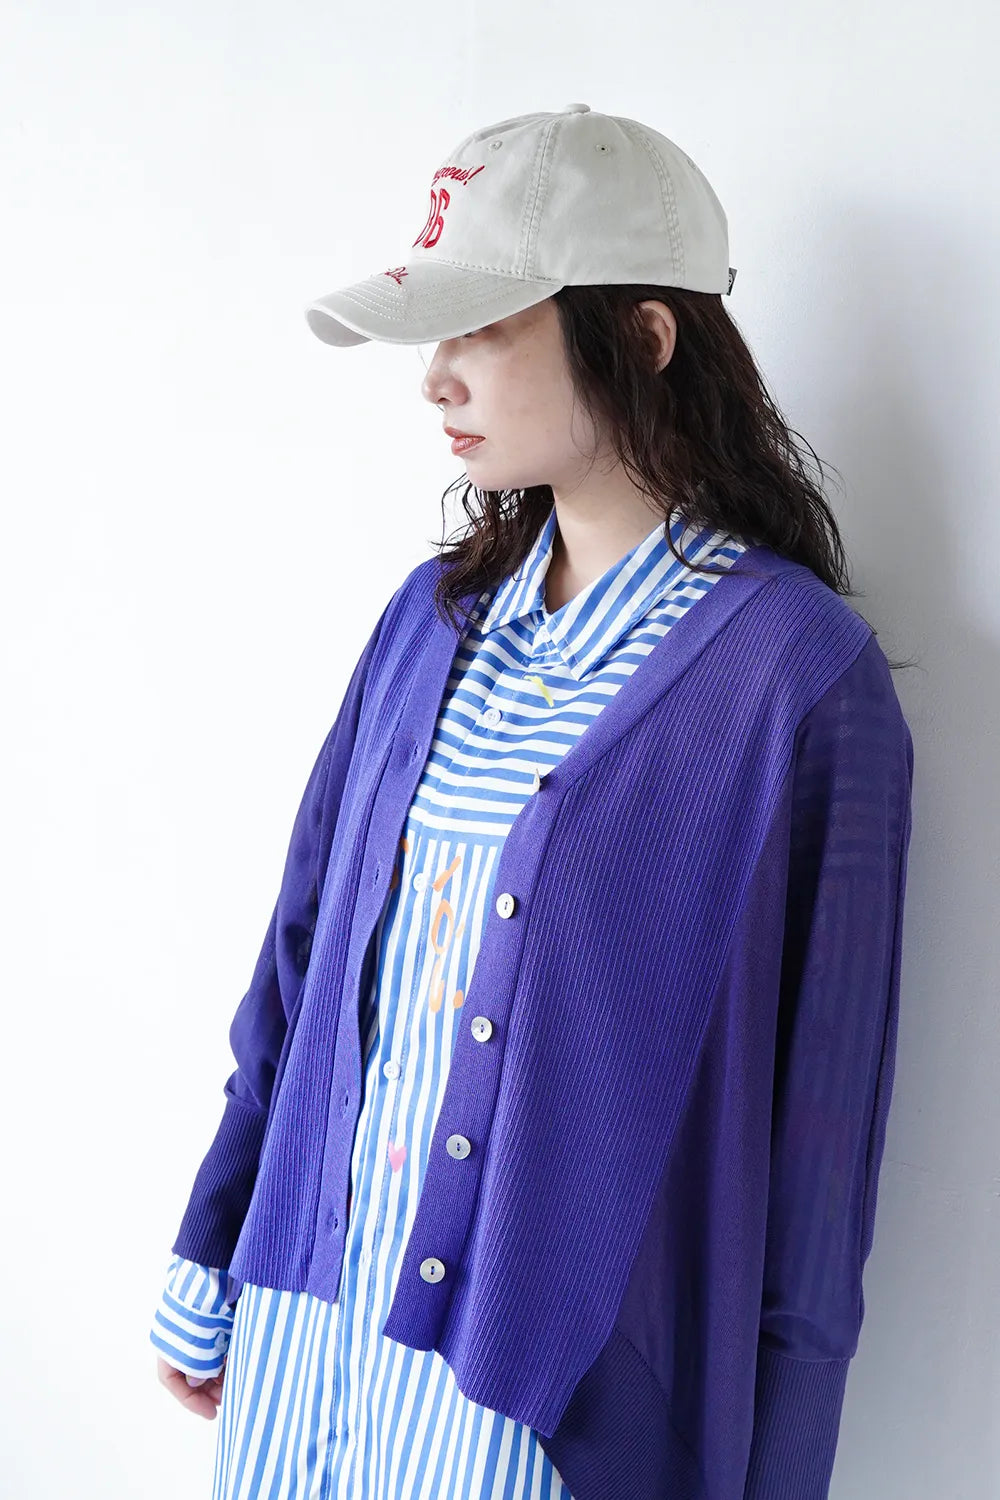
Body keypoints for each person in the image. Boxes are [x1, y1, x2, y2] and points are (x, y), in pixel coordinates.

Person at [150, 105, 915, 1500]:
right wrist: (212, 1251)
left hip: (542, 1423)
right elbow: (302, 968)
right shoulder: (429, 623)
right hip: (303, 1352)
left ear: (644, 335)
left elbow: (820, 1162)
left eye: (482, 327)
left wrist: (782, 1475)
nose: (435, 377)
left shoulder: (796, 681)